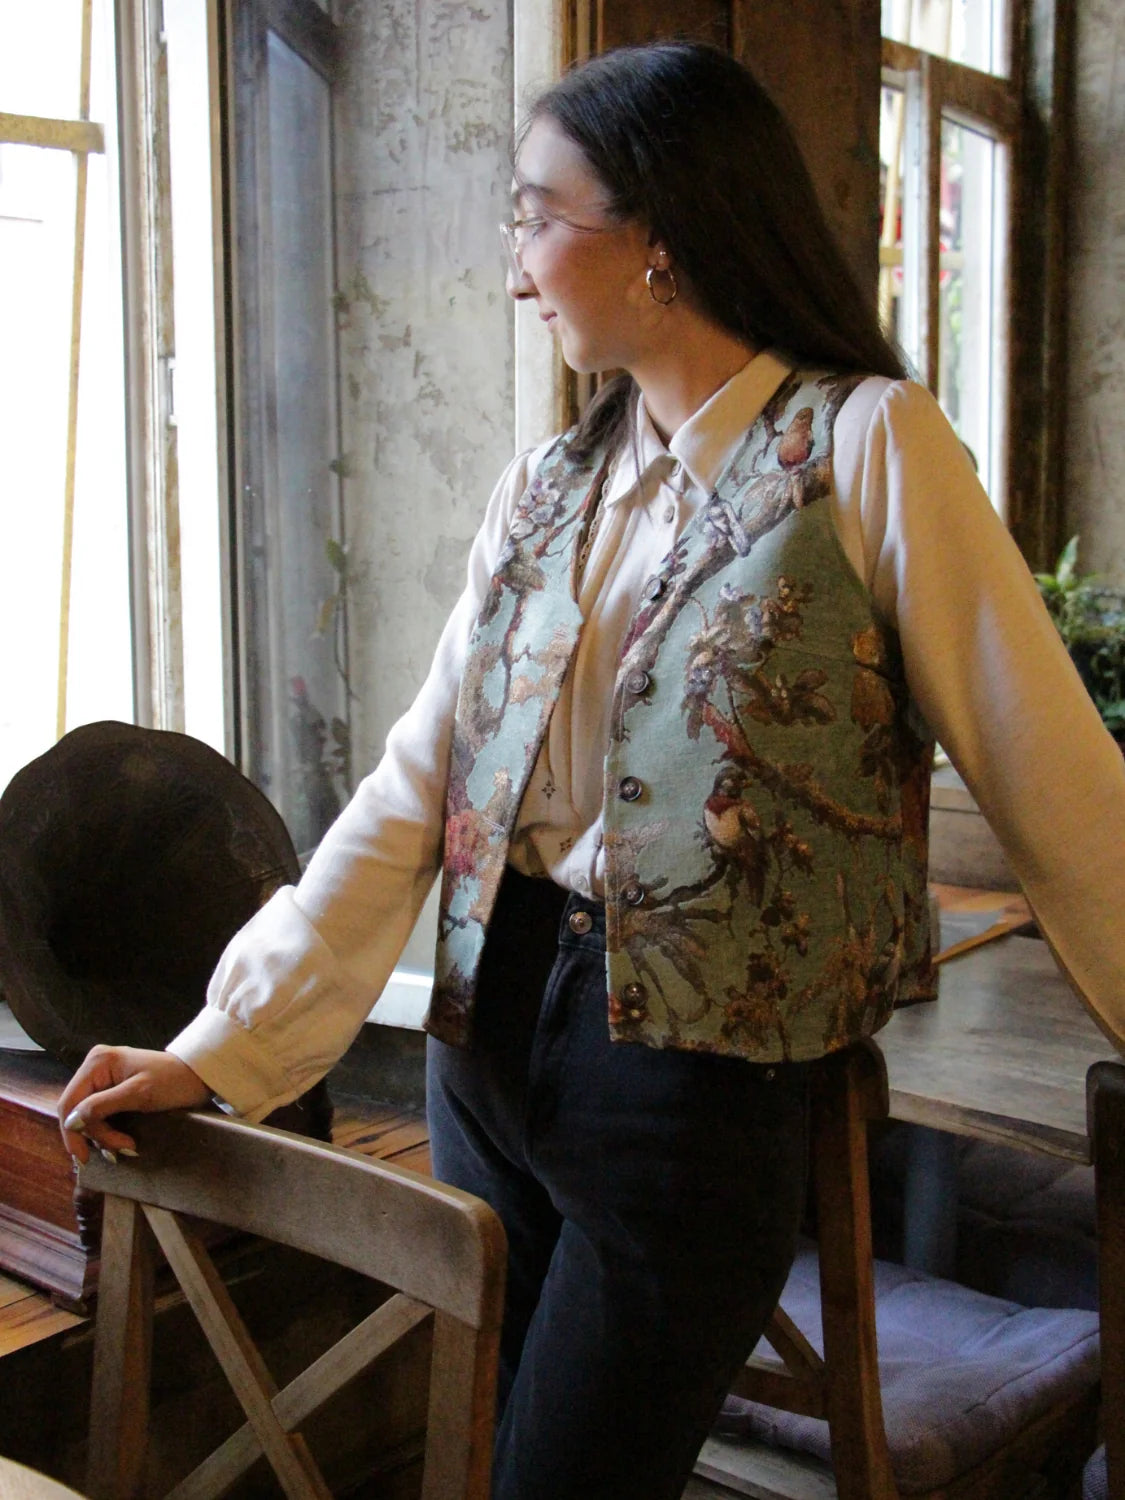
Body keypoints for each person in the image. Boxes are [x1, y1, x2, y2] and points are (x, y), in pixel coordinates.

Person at [58, 40, 1125, 1500]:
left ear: (658, 238)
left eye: (534, 217)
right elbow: (419, 784)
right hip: (484, 1043)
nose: (514, 270)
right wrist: (219, 1042)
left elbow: (1057, 786)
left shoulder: (869, 447)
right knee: (497, 1454)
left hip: (687, 1094)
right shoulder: (547, 485)